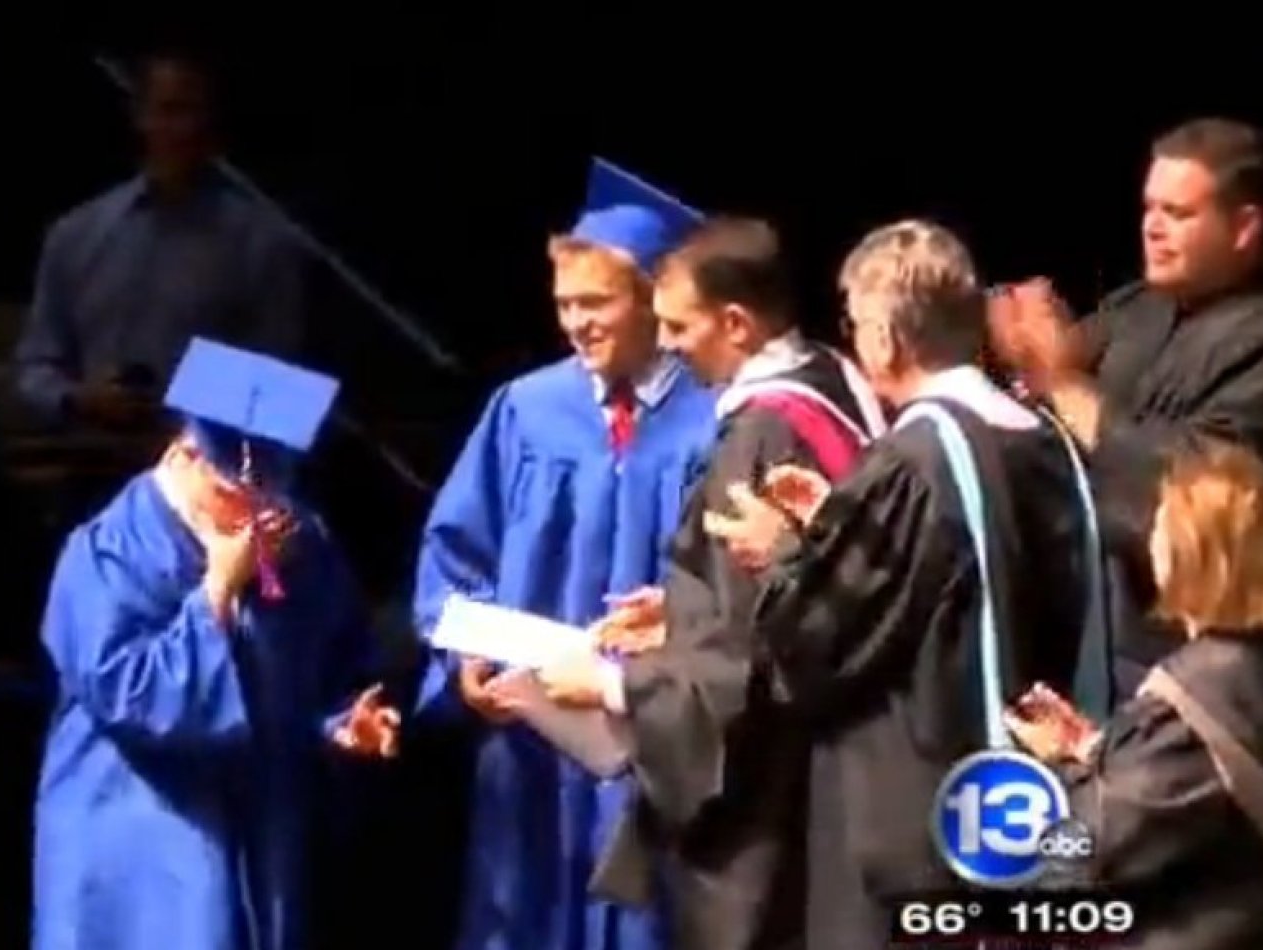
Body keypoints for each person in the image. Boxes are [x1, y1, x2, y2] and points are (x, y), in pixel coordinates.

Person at [714, 220, 1100, 949]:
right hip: (1025, 807)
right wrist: (834, 521)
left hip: (919, 819)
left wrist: (784, 553)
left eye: (857, 324)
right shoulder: (1040, 437)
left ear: (887, 337)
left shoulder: (914, 457)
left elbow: (819, 645)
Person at [537, 216, 886, 950]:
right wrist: (677, 609)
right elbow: (782, 590)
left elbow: (743, 657)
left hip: (767, 799)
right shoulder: (829, 380)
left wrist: (615, 688)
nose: (665, 343)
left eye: (678, 325)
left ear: (736, 323)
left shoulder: (763, 433)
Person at [411, 158, 716, 950]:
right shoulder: (526, 410)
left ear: (653, 299)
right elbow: (454, 555)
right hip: (533, 750)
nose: (575, 323)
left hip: (652, 742)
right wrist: (464, 663)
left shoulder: (718, 417)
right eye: (563, 305)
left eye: (595, 303)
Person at [31, 337, 401, 950]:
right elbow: (134, 693)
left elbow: (335, 662)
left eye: (273, 492)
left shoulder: (297, 541)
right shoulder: (107, 552)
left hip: (261, 833)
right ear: (187, 454)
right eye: (241, 491)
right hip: (141, 841)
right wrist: (217, 594)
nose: (260, 510)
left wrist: (344, 722)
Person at [988, 116, 1263, 697]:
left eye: (1179, 213)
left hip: (1200, 666)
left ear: (1243, 227)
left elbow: (1191, 488)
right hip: (1095, 628)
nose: (1153, 228)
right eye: (1150, 209)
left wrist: (1061, 380)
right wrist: (1011, 335)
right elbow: (1049, 371)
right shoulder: (1139, 308)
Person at [1005, 437, 1263, 950]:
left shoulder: (1194, 699)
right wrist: (1092, 749)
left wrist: (1057, 769)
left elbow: (1086, 855)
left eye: (1161, 525)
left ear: (1191, 552)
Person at [14, 48, 310, 431]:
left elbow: (282, 383)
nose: (183, 130)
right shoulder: (76, 233)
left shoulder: (263, 242)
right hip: (88, 460)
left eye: (194, 113)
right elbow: (36, 365)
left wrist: (177, 399)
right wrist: (78, 398)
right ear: (140, 117)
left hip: (203, 470)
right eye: (169, 111)